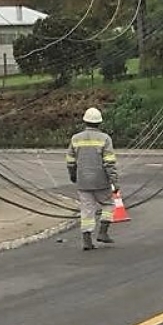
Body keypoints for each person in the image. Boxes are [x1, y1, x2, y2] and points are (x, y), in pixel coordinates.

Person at [66, 107, 120, 251]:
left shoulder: (75, 139)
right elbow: (109, 162)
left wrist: (73, 174)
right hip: (101, 180)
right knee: (108, 205)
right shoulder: (105, 139)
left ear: (85, 121)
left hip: (83, 181)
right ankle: (103, 232)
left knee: (87, 210)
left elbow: (70, 161)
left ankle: (87, 240)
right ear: (99, 123)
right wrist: (114, 180)